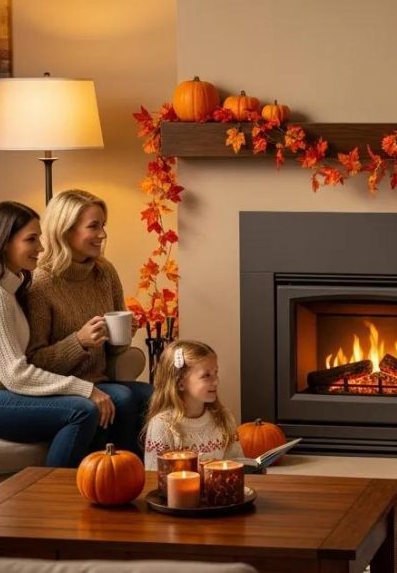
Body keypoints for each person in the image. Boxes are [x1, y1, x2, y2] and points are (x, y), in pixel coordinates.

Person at [0, 201, 116, 467]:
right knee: (81, 411)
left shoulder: (8, 291)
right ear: (4, 243)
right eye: (31, 239)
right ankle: (49, 498)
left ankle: (96, 488)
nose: (41, 247)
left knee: (92, 408)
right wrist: (86, 390)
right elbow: (16, 374)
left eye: (39, 238)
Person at [26, 189, 152, 457]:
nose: (103, 235)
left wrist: (124, 336)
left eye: (103, 226)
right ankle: (111, 474)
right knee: (124, 398)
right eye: (93, 226)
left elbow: (114, 352)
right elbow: (34, 361)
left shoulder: (104, 271)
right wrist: (79, 342)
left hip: (99, 380)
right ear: (65, 230)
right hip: (60, 387)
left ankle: (140, 475)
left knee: (153, 396)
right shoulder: (41, 284)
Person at [143, 339, 242, 470]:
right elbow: (154, 477)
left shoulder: (224, 418)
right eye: (206, 375)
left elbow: (237, 463)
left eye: (215, 372)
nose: (216, 381)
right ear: (181, 383)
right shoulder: (162, 426)